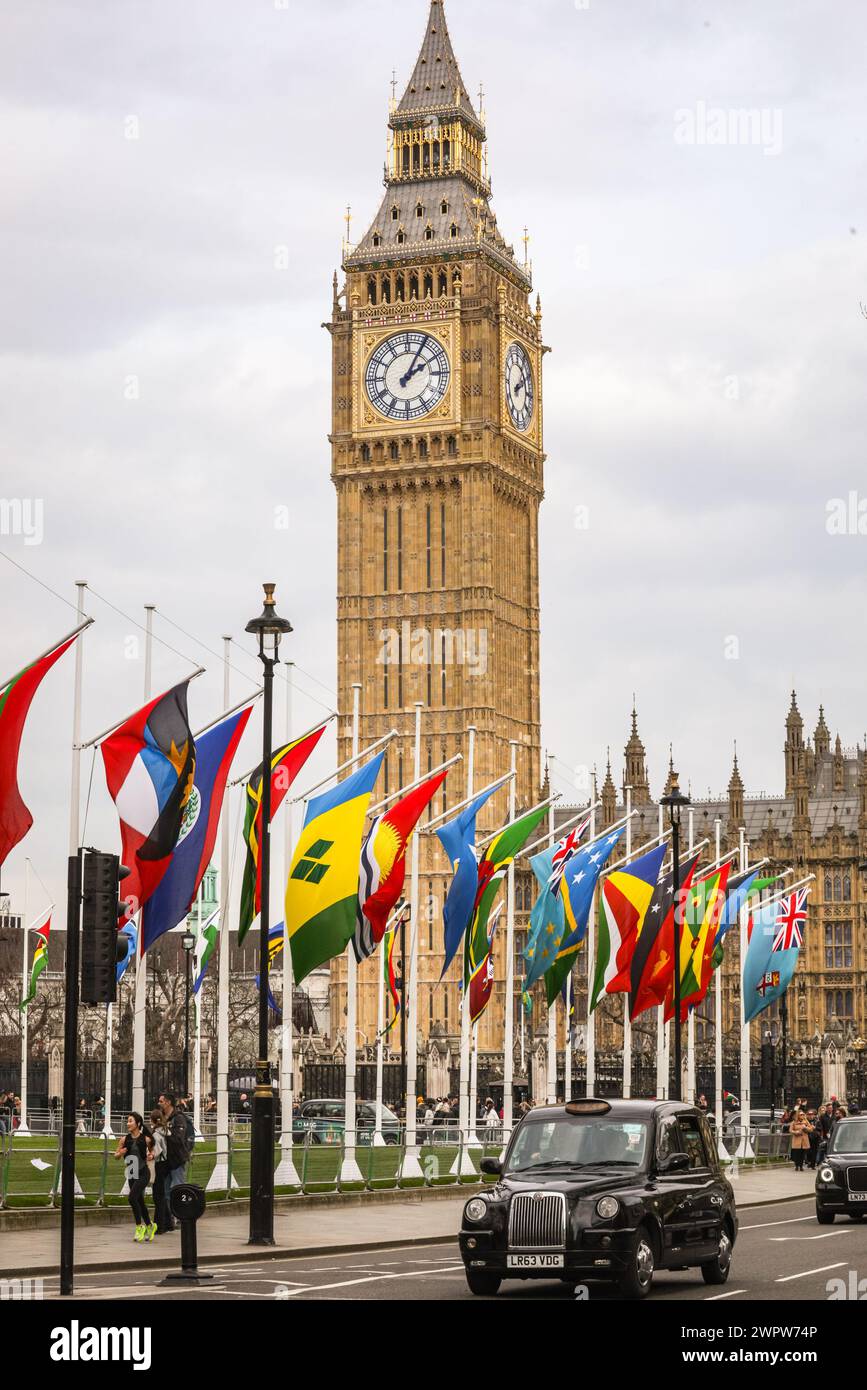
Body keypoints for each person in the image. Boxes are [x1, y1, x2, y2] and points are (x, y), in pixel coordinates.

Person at [114, 1113, 155, 1242]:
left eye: (130, 1121)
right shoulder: (124, 1140)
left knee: (132, 1198)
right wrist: (120, 1153)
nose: (128, 1123)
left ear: (138, 1123)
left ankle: (139, 1227)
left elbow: (153, 1151)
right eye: (127, 1121)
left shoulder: (146, 1139)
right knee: (140, 1201)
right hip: (131, 1174)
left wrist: (151, 1156)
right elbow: (116, 1156)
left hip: (143, 1173)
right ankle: (150, 1226)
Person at [159, 1092, 194, 1214]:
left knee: (179, 1188)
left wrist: (164, 1133)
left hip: (177, 1159)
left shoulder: (178, 1118)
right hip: (165, 1159)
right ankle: (170, 1218)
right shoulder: (162, 1117)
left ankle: (181, 1215)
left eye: (161, 1101)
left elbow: (178, 1138)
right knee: (166, 1191)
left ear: (168, 1103)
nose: (159, 1103)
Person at [789, 1108, 813, 1172]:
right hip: (797, 1139)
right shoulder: (793, 1122)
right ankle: (797, 1165)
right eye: (800, 1115)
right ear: (798, 1115)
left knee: (803, 1153)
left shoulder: (805, 1121)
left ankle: (801, 1166)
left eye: (803, 1114)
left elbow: (811, 1129)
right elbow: (790, 1130)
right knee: (797, 1154)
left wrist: (806, 1128)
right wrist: (796, 1132)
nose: (802, 1116)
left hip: (804, 1140)